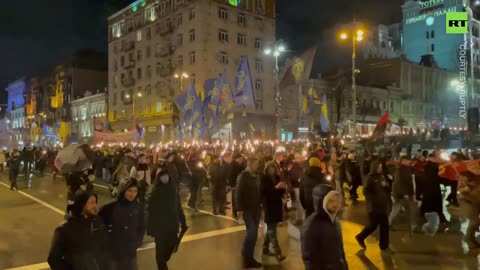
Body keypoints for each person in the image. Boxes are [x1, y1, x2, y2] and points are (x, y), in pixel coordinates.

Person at [47, 190, 108, 270]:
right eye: (91, 203)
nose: (95, 206)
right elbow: (53, 259)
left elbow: (104, 248)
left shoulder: (97, 223)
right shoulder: (64, 229)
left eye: (95, 202)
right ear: (81, 204)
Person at [98, 178, 145, 270]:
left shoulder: (138, 207)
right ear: (123, 190)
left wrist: (137, 241)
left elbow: (142, 226)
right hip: (113, 253)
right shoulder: (110, 208)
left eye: (135, 191)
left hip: (130, 253)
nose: (132, 194)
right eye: (129, 190)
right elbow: (98, 226)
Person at [147, 167, 187, 270]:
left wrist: (183, 222)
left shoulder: (173, 190)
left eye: (166, 175)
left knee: (168, 252)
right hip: (160, 228)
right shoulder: (156, 191)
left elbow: (178, 207)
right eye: (161, 176)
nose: (164, 178)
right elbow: (150, 210)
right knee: (160, 258)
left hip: (172, 227)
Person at [301, 184, 348, 270]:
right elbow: (310, 260)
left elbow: (340, 250)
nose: (335, 204)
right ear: (322, 202)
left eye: (336, 200)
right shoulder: (311, 226)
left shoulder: (335, 221)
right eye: (331, 201)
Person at [356, 161, 392, 252]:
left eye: (381, 167)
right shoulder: (370, 178)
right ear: (375, 167)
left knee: (385, 226)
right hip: (374, 206)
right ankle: (360, 236)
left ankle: (384, 245)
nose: (380, 168)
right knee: (373, 225)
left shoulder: (382, 176)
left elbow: (387, 189)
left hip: (382, 205)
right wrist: (373, 199)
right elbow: (366, 191)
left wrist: (388, 183)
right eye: (378, 167)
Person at [236, 156, 262, 268]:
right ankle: (247, 258)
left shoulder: (256, 176)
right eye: (255, 164)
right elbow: (238, 193)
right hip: (247, 209)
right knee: (251, 233)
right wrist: (239, 209)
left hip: (256, 208)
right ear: (249, 164)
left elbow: (259, 190)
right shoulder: (243, 176)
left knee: (254, 234)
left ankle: (248, 255)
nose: (257, 166)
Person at [261, 161, 286, 262]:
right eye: (269, 168)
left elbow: (280, 192)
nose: (271, 170)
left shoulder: (277, 177)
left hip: (276, 205)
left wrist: (282, 188)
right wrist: (275, 187)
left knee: (271, 228)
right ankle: (278, 253)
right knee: (272, 230)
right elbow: (264, 191)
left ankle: (265, 248)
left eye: (273, 168)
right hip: (269, 206)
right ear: (267, 169)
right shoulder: (264, 178)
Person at [389, 156, 418, 234]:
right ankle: (388, 224)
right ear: (403, 161)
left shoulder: (407, 169)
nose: (409, 162)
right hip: (401, 195)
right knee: (396, 210)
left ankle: (412, 227)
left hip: (406, 194)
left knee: (409, 210)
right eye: (408, 160)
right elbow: (399, 183)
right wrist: (404, 193)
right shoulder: (400, 170)